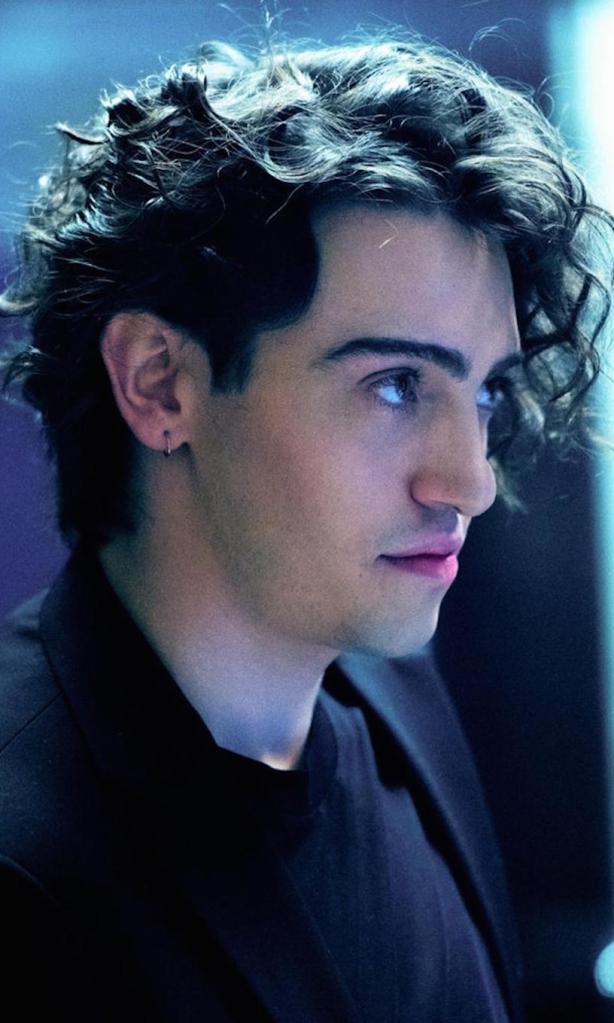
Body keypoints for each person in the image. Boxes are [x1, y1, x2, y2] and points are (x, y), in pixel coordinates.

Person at [0, 32, 611, 1023]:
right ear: (160, 382)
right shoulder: (25, 867)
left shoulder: (394, 691)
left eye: (485, 393)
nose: (469, 482)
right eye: (395, 384)